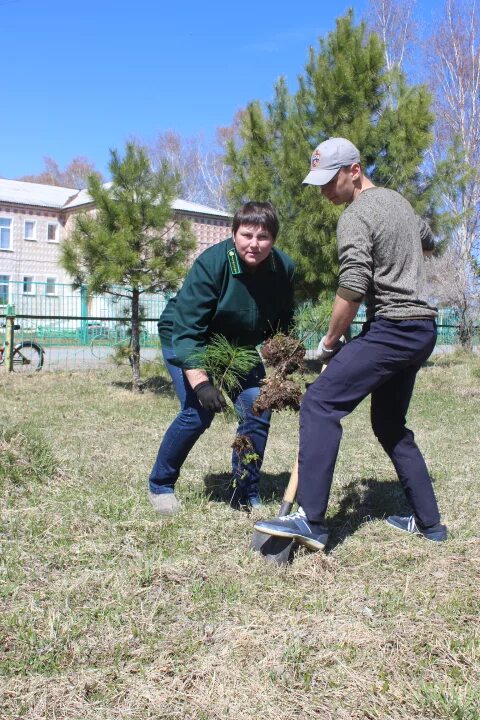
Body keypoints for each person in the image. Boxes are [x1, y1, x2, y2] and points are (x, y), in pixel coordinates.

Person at [254, 137, 447, 550]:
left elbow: (353, 284)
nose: (323, 191)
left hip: (393, 328)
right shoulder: (400, 203)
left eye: (329, 181)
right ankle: (430, 524)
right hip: (421, 330)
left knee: (321, 402)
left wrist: (329, 340)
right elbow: (428, 239)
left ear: (354, 171)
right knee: (390, 425)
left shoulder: (356, 216)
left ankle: (312, 520)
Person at [149, 201, 295, 515]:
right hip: (188, 336)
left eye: (263, 236)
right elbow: (188, 330)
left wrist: (287, 354)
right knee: (197, 413)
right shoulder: (213, 263)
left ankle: (245, 490)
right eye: (246, 235)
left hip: (238, 344)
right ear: (234, 234)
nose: (254, 243)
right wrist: (201, 384)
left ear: (274, 239)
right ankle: (161, 485)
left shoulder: (283, 268)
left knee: (258, 407)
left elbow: (284, 319)